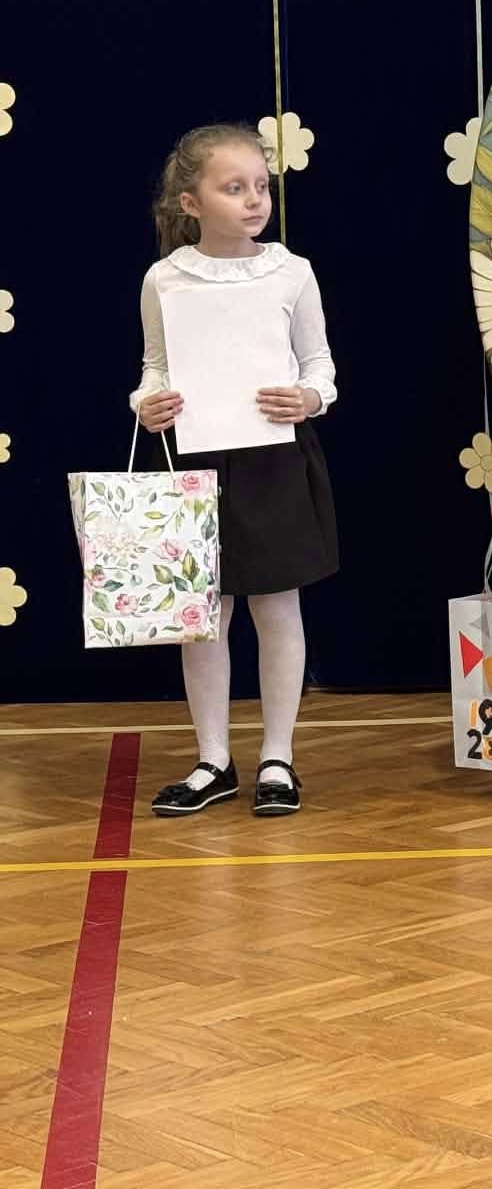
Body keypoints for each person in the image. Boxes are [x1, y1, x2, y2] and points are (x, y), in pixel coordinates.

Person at [135, 124, 339, 818]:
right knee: (203, 618)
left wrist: (308, 398)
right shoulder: (165, 278)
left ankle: (277, 756)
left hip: (273, 456)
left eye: (261, 186)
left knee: (277, 607)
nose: (254, 200)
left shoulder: (291, 271)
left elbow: (320, 366)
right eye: (234, 188)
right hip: (195, 458)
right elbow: (154, 367)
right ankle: (213, 759)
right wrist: (147, 404)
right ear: (191, 203)